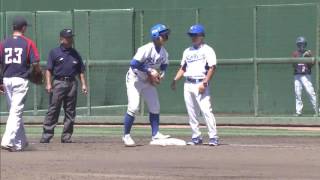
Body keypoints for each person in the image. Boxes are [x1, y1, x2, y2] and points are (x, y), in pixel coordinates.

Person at [122, 24, 171, 147]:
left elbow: (164, 65)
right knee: (134, 107)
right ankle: (126, 135)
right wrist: (149, 70)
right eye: (164, 35)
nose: (166, 37)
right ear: (156, 36)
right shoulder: (145, 49)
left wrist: (162, 74)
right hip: (135, 79)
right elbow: (133, 63)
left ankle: (155, 134)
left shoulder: (164, 52)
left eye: (166, 35)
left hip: (148, 81)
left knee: (155, 106)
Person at [171, 24, 218, 146]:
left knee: (206, 110)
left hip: (200, 83)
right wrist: (175, 79)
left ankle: (213, 136)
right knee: (192, 113)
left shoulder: (208, 50)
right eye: (191, 35)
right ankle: (196, 136)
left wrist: (205, 82)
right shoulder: (187, 51)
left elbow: (212, 67)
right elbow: (183, 68)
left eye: (195, 35)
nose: (193, 37)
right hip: (188, 84)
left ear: (201, 36)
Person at [0, 16, 41, 151]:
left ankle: (20, 142)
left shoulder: (3, 43)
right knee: (16, 112)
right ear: (23, 28)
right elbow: (35, 63)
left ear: (13, 28)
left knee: (14, 111)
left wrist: (0, 81)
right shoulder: (28, 43)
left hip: (7, 80)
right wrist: (37, 73)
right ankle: (7, 141)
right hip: (20, 80)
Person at [40, 29, 87, 143]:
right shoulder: (54, 52)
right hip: (58, 83)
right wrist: (48, 83)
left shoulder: (75, 53)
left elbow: (80, 70)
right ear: (61, 39)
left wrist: (83, 84)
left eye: (71, 37)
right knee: (53, 109)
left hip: (72, 83)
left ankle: (66, 136)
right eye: (68, 37)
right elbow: (49, 70)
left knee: (70, 111)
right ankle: (47, 135)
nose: (71, 39)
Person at [292, 36, 319, 116]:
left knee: (310, 92)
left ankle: (317, 111)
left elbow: (312, 64)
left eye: (303, 44)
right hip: (297, 75)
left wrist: (309, 56)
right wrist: (303, 56)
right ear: (298, 45)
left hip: (306, 75)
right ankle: (298, 112)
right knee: (298, 93)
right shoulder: (295, 53)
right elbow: (294, 64)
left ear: (305, 45)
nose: (301, 46)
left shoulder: (309, 53)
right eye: (300, 44)